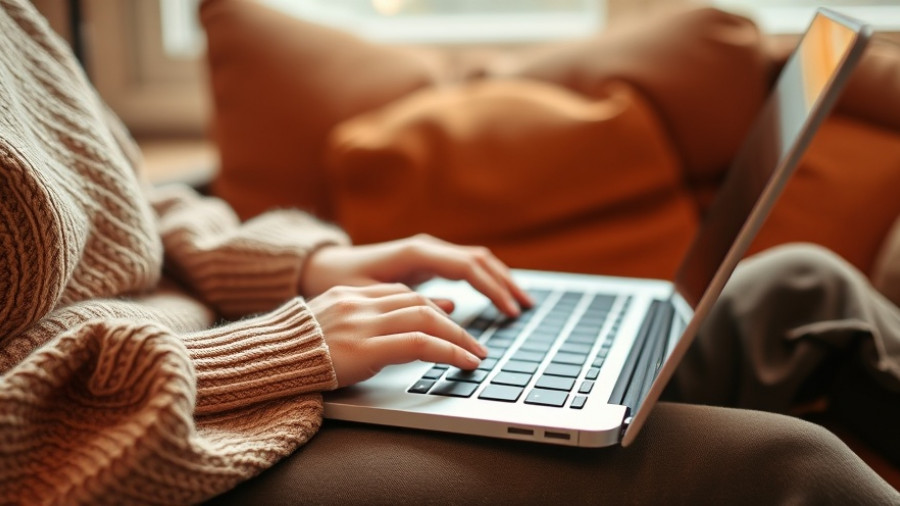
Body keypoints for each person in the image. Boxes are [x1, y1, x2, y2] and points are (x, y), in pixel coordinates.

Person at [0, 1, 898, 504]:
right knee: (791, 469)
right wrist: (281, 348)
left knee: (800, 285)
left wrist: (303, 269)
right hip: (177, 451)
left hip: (242, 360)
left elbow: (140, 206)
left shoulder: (22, 23)